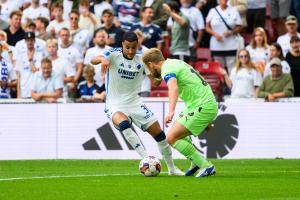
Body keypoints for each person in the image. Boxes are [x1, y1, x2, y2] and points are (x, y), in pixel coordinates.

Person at [91, 31, 184, 176]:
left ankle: (172, 169)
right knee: (124, 124)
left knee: (159, 134)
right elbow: (93, 59)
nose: (130, 51)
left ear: (137, 46)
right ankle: (146, 158)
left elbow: (155, 82)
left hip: (135, 103)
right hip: (114, 104)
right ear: (122, 44)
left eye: (133, 47)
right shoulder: (113, 54)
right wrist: (102, 60)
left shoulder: (142, 59)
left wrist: (160, 73)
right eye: (127, 47)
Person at [142, 48, 218, 178]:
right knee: (178, 134)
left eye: (148, 68)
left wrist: (171, 111)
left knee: (171, 137)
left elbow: (173, 88)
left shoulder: (167, 69)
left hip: (203, 106)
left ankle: (206, 166)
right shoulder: (175, 62)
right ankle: (195, 162)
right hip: (201, 105)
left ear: (151, 64)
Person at [205, 0, 243, 74]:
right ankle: (221, 85)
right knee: (219, 69)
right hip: (217, 45)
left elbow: (240, 26)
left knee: (232, 69)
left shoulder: (233, 10)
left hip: (231, 45)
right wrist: (215, 34)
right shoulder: (212, 11)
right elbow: (207, 27)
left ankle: (231, 85)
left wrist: (231, 32)